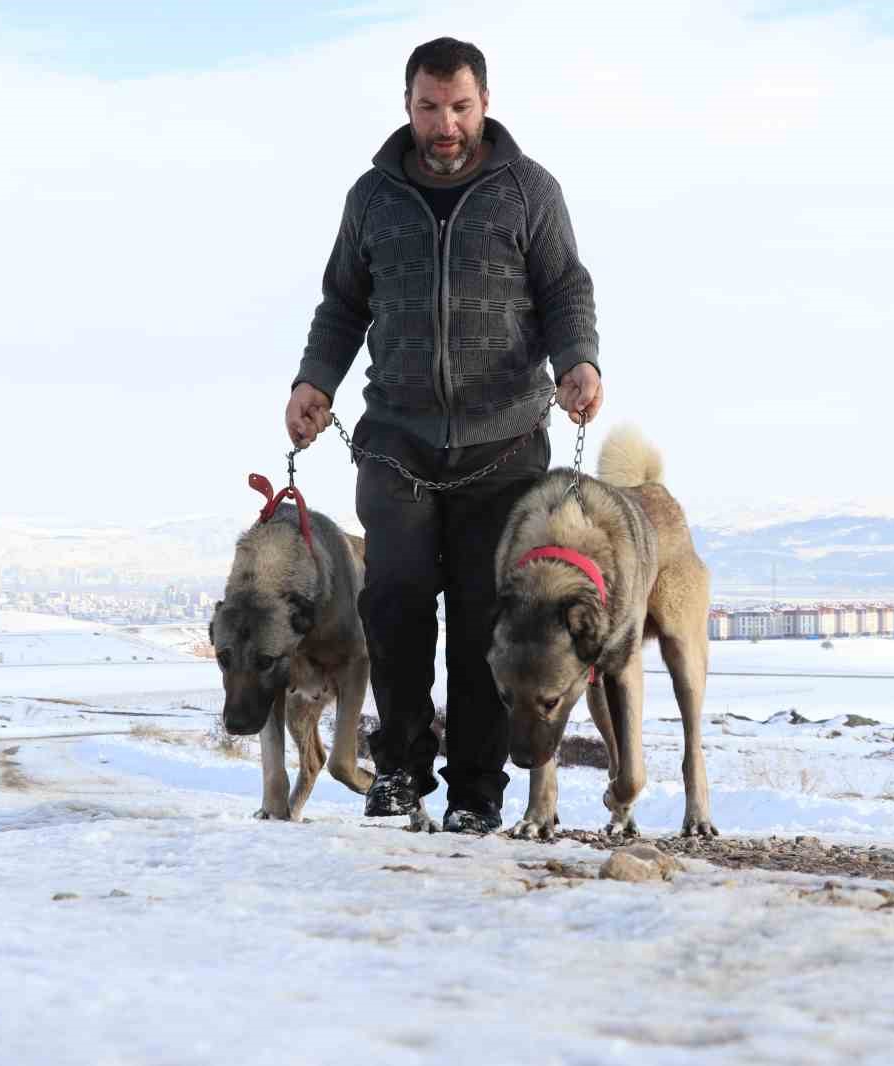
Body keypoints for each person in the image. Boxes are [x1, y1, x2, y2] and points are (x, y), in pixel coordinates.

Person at [285, 36, 601, 833]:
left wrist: (579, 364)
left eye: (460, 106)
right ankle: (397, 770)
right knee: (390, 605)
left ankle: (475, 792)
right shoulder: (372, 199)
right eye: (430, 107)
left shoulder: (529, 191)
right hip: (397, 439)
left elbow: (565, 288)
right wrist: (313, 383)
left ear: (484, 103)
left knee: (482, 617)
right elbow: (342, 304)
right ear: (408, 107)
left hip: (505, 444)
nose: (446, 124)